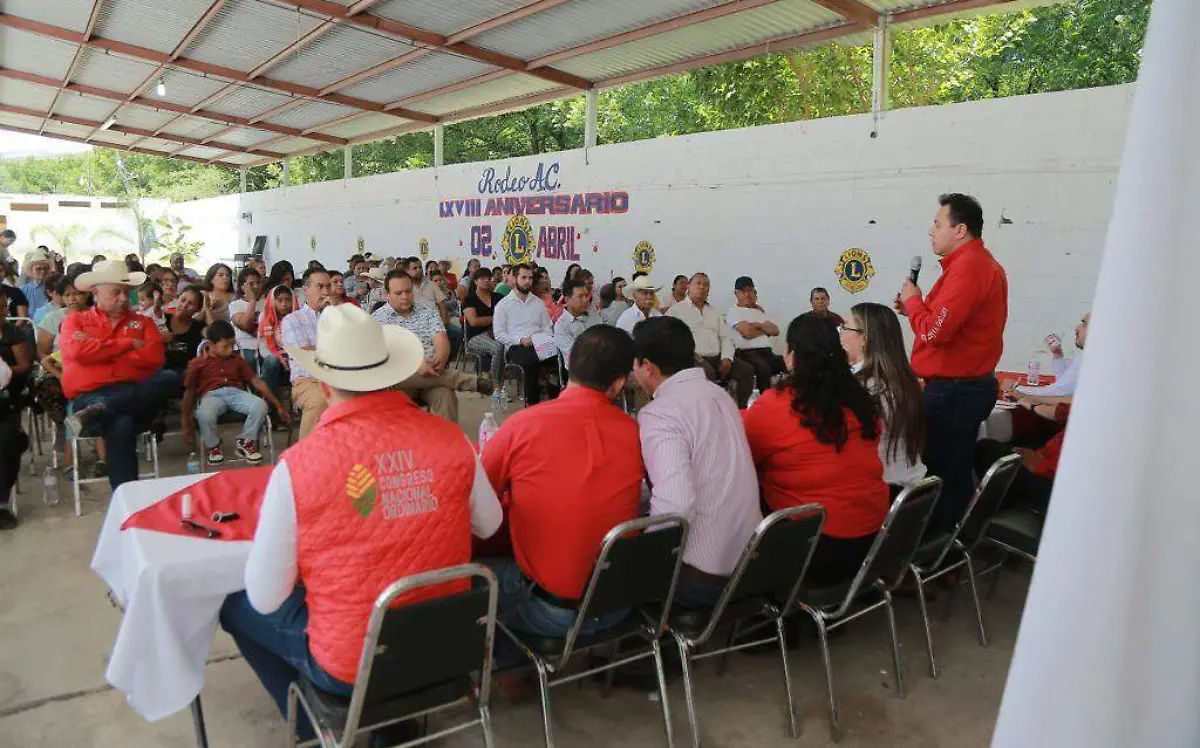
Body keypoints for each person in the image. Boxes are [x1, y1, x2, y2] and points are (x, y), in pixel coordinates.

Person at [219, 303, 502, 744]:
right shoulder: (452, 440)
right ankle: (394, 720)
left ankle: (314, 728)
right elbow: (489, 524)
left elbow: (266, 594)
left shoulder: (299, 465)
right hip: (447, 649)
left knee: (236, 604)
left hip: (354, 662)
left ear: (325, 382)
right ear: (392, 372)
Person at [482, 326, 641, 635]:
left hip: (548, 611)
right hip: (616, 605)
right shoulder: (633, 431)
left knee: (470, 573)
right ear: (619, 384)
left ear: (568, 359)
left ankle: (505, 665)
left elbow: (480, 505)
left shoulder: (522, 425)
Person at [744, 314, 888, 586]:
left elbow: (744, 460)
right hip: (872, 541)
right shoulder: (861, 402)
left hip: (814, 547)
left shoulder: (776, 405)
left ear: (792, 355)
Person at [632, 316, 761, 609]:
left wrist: (641, 558)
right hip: (752, 563)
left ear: (647, 366)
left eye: (635, 363)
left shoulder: (660, 413)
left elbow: (675, 507)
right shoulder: (721, 395)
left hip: (704, 579)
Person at [898, 193, 1008, 529]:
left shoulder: (970, 268)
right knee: (954, 470)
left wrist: (914, 303)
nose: (931, 231)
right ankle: (952, 546)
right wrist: (913, 307)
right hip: (959, 387)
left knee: (939, 475)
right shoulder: (971, 266)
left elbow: (934, 332)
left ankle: (937, 554)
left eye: (937, 223)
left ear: (959, 229)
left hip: (954, 391)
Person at [59, 262, 176, 490]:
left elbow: (153, 358)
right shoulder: (76, 321)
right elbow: (77, 352)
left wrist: (99, 352)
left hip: (130, 397)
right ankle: (127, 500)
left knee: (169, 377)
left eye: (126, 292)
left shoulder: (144, 322)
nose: (124, 298)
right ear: (95, 293)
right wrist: (128, 344)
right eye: (116, 292)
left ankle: (105, 407)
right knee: (121, 423)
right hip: (90, 398)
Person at [372, 271, 491, 423]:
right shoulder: (377, 320)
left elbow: (441, 339)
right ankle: (469, 382)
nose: (405, 296)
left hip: (433, 373)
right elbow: (379, 356)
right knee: (406, 375)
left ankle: (448, 442)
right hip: (398, 380)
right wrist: (415, 365)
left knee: (445, 395)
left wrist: (440, 360)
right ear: (386, 295)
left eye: (408, 291)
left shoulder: (427, 312)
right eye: (398, 293)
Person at [840, 302, 927, 487]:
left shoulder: (860, 386)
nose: (840, 332)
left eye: (844, 326)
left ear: (865, 338)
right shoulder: (904, 379)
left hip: (882, 486)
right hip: (912, 482)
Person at [182, 321, 289, 464]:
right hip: (212, 395)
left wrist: (278, 405)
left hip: (236, 393)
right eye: (225, 346)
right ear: (210, 344)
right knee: (203, 413)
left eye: (232, 345)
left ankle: (246, 441)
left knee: (260, 405)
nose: (229, 350)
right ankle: (213, 446)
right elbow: (189, 392)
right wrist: (185, 423)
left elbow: (256, 382)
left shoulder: (237, 360)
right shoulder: (197, 364)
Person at [668, 272, 755, 408]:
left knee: (746, 370)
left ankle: (741, 411)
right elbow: (673, 341)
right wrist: (695, 357)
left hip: (717, 357)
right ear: (689, 287)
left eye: (706, 285)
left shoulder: (715, 312)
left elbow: (726, 337)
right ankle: (709, 415)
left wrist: (726, 358)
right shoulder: (675, 311)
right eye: (698, 283)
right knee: (706, 373)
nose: (702, 287)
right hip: (692, 358)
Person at [974, 399, 1069, 514]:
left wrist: (1037, 463)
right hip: (1049, 458)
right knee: (1025, 438)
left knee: (985, 449)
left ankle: (992, 512)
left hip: (1053, 486)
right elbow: (1062, 412)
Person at [493, 264, 557, 405]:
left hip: (540, 342)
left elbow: (547, 327)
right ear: (514, 279)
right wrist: (520, 340)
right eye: (523, 277)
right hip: (516, 346)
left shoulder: (538, 303)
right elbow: (499, 334)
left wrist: (543, 338)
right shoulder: (503, 305)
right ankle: (532, 402)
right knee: (531, 362)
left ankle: (556, 400)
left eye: (530, 278)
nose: (528, 281)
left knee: (559, 359)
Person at [281, 269, 332, 439]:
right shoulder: (292, 320)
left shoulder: (338, 317)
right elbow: (304, 354)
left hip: (339, 378)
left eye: (328, 286)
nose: (326, 292)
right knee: (319, 401)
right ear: (306, 290)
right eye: (320, 286)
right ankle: (307, 457)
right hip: (307, 380)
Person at [1007, 313, 1089, 401]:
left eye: (1084, 324)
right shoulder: (1086, 357)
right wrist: (1057, 354)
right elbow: (1063, 383)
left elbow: (1057, 392)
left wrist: (1016, 387)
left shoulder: (1089, 361)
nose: (1077, 328)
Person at [726, 276, 785, 392]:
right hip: (747, 353)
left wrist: (757, 325)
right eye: (743, 291)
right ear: (736, 294)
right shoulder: (733, 311)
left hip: (767, 352)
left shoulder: (759, 311)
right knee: (764, 369)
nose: (747, 294)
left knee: (791, 363)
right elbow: (747, 332)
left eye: (749, 291)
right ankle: (765, 402)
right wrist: (764, 329)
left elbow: (775, 330)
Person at [462, 267, 506, 383]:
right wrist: (495, 318)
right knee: (498, 347)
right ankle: (495, 384)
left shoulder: (498, 297)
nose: (486, 281)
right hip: (475, 336)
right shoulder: (469, 299)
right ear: (476, 281)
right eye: (482, 278)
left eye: (489, 278)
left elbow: (507, 317)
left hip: (497, 333)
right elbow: (474, 321)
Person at [553, 277, 602, 367]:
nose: (585, 300)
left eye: (586, 295)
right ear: (567, 300)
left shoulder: (594, 315)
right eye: (580, 296)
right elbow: (575, 355)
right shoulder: (561, 326)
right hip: (579, 371)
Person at [256, 285, 293, 391]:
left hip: (292, 354)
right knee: (272, 360)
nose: (284, 304)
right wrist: (280, 356)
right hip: (272, 355)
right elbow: (263, 347)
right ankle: (269, 397)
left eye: (287, 300)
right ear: (272, 301)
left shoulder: (297, 316)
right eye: (279, 300)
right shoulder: (264, 317)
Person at [163, 286, 206, 376]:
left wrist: (208, 309)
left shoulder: (199, 327)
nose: (185, 305)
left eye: (191, 303)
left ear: (198, 309)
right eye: (183, 300)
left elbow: (216, 335)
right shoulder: (162, 319)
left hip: (185, 373)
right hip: (160, 370)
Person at [20, 250, 52, 320]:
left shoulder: (53, 287)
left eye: (45, 268)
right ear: (31, 270)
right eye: (38, 269)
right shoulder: (23, 290)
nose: (42, 271)